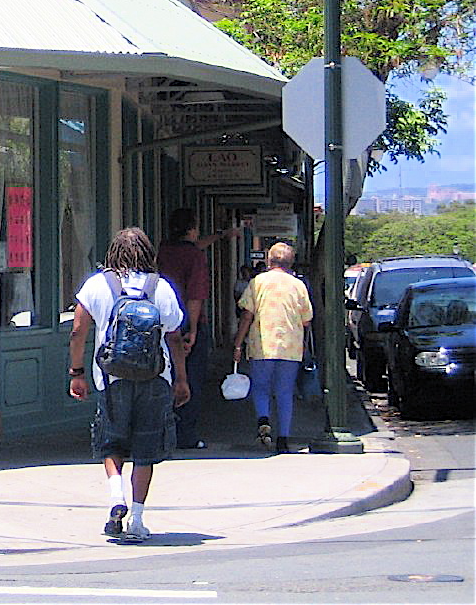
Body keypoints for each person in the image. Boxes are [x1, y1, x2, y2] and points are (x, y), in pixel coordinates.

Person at [69, 227, 189, 543]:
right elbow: (174, 337)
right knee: (146, 449)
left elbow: (78, 331)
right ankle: (136, 519)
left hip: (111, 378)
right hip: (155, 379)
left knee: (112, 441)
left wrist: (77, 372)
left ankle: (115, 496)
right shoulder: (161, 287)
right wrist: (182, 379)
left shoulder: (96, 285)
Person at [156, 208, 237, 450]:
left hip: (160, 320)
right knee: (190, 379)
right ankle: (185, 434)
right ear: (191, 228)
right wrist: (191, 329)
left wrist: (221, 235)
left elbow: (196, 245)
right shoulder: (195, 257)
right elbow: (195, 295)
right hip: (185, 322)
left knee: (162, 376)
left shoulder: (163, 251)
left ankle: (161, 430)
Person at [232, 242, 314, 453]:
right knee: (285, 392)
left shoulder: (257, 282)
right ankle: (283, 438)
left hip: (262, 344)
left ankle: (263, 422)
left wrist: (238, 343)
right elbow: (306, 319)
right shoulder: (299, 286)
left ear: (269, 261)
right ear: (291, 262)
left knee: (260, 388)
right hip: (290, 346)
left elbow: (247, 315)